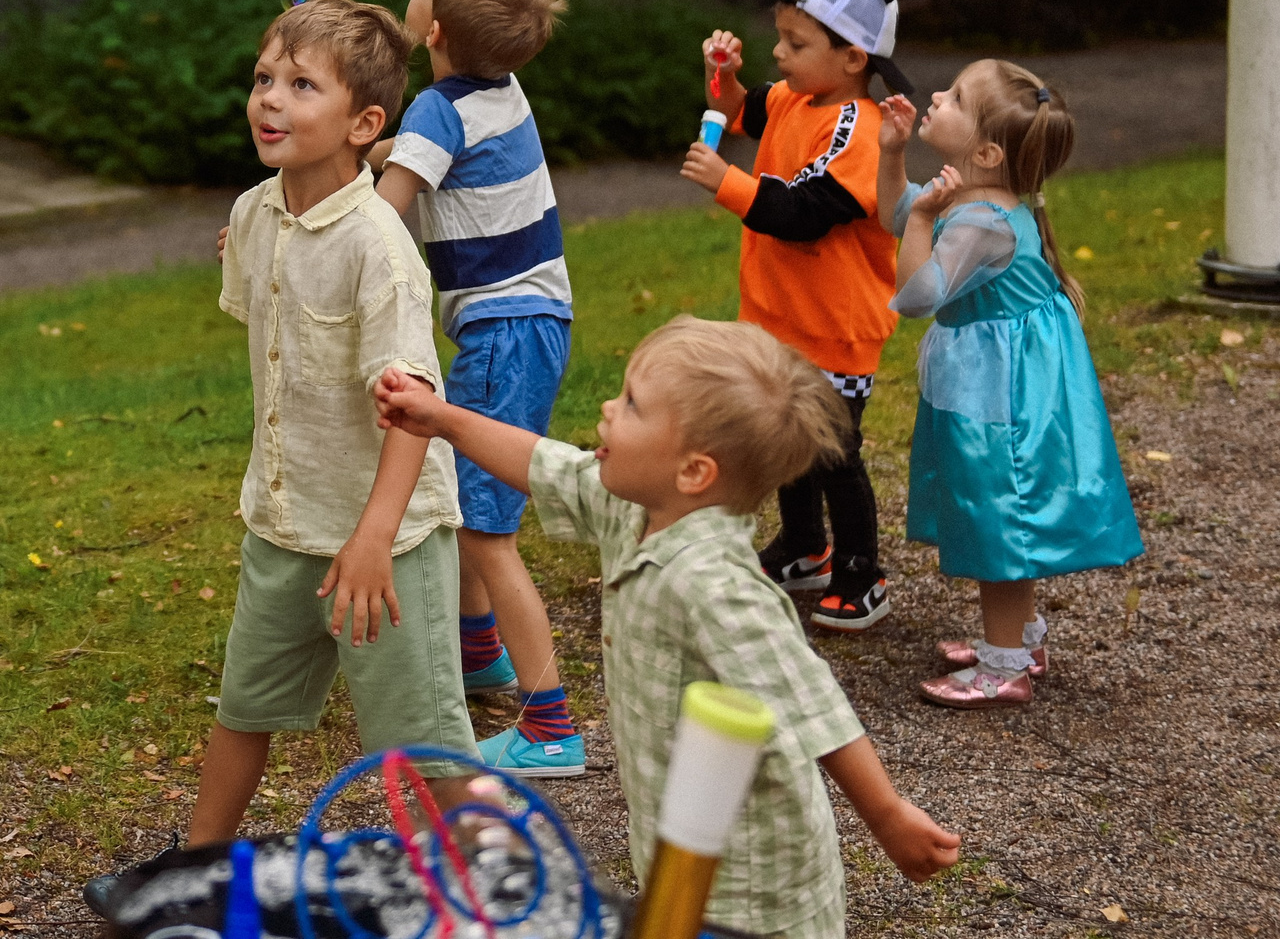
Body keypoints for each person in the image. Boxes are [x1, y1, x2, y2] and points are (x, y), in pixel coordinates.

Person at [375, 317, 962, 939]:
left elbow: (815, 708)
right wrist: (442, 419)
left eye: (632, 404)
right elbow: (544, 464)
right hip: (678, 851)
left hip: (751, 887)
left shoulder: (717, 585)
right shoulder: (633, 508)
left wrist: (888, 816)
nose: (608, 408)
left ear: (693, 472)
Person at [186, 0, 474, 847]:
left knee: (426, 746)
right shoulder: (252, 214)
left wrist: (374, 537)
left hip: (387, 543)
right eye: (263, 78)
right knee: (244, 707)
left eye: (301, 84)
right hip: (284, 526)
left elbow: (413, 412)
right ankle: (196, 865)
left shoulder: (379, 247)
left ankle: (506, 884)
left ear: (364, 123)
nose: (270, 98)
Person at [368, 0, 582, 778]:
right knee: (470, 505)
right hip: (534, 324)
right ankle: (480, 649)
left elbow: (384, 215)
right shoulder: (498, 88)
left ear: (433, 32)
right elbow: (415, 156)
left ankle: (550, 724)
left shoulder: (437, 111)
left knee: (489, 533)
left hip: (502, 336)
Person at [877, 63, 1142, 707]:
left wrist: (923, 220)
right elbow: (894, 215)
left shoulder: (981, 222)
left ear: (988, 153)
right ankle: (1019, 639)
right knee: (995, 508)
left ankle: (1005, 669)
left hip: (1002, 396)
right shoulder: (966, 196)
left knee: (997, 514)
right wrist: (892, 155)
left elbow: (917, 297)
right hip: (994, 380)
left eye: (954, 97)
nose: (935, 95)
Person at [684, 0, 907, 632]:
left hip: (834, 328)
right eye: (779, 38)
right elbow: (737, 109)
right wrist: (721, 76)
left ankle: (862, 573)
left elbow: (805, 212)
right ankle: (805, 546)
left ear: (853, 57)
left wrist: (727, 182)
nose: (779, 54)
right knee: (787, 442)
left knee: (835, 455)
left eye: (796, 42)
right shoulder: (790, 97)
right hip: (779, 319)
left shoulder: (858, 131)